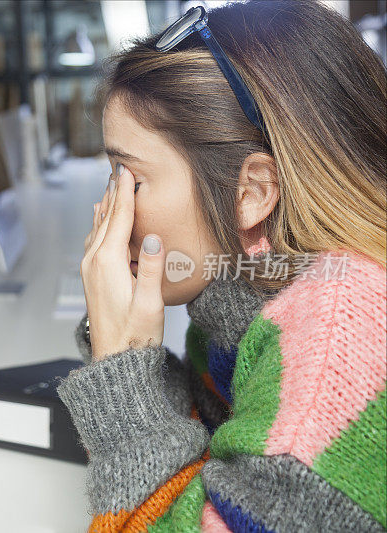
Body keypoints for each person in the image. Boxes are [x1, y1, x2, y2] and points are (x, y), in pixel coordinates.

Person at [55, 0, 386, 531]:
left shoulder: (335, 349)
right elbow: (202, 468)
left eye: (129, 178)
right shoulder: (242, 298)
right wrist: (121, 351)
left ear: (252, 192)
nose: (107, 212)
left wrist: (119, 374)